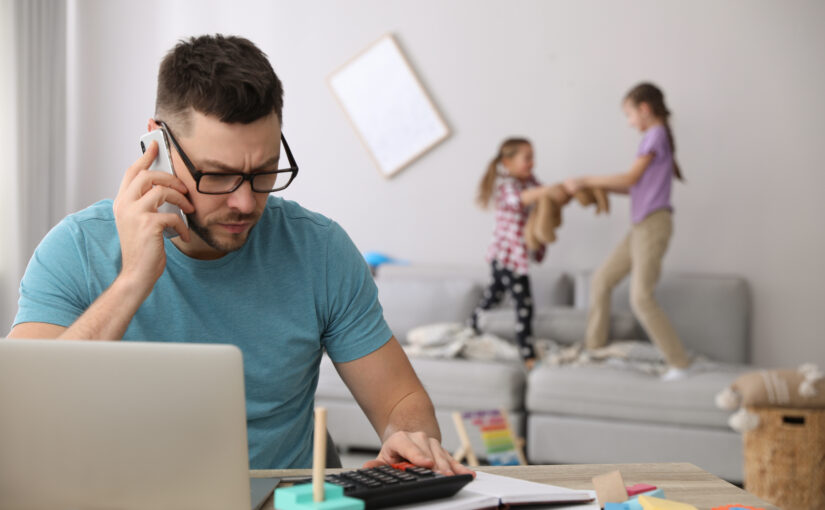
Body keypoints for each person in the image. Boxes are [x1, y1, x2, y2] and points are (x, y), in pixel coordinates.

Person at [8, 34, 472, 474]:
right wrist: (132, 280)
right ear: (158, 146)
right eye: (218, 175)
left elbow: (399, 403)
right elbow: (21, 417)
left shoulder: (320, 249)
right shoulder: (75, 249)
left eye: (265, 171)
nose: (246, 203)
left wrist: (410, 437)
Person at [563, 82, 691, 381]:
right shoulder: (655, 137)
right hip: (639, 227)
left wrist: (584, 180)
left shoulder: (655, 135)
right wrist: (593, 186)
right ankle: (595, 348)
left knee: (641, 297)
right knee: (601, 281)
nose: (630, 121)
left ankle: (680, 363)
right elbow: (634, 186)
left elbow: (630, 176)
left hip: (653, 225)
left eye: (630, 114)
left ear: (644, 109)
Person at [469, 138, 568, 370]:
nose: (532, 163)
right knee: (524, 305)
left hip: (514, 257)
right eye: (527, 158)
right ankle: (528, 356)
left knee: (492, 298)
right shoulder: (506, 186)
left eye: (533, 157)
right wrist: (550, 190)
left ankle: (470, 328)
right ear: (508, 162)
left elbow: (546, 197)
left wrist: (564, 191)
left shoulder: (530, 181)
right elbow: (522, 200)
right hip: (507, 257)